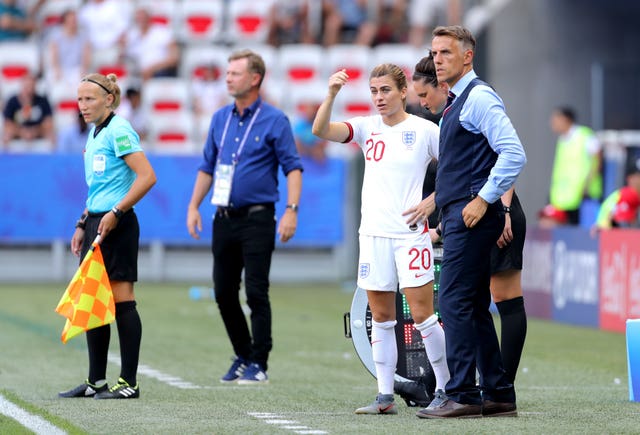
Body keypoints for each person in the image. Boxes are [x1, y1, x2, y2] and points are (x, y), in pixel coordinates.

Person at [312, 64, 449, 415]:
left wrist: (433, 201)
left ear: (403, 92)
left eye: (385, 90)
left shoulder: (424, 130)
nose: (379, 97)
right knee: (383, 318)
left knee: (423, 316)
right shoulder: (366, 128)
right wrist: (331, 94)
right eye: (374, 91)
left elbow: (456, 169)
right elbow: (321, 129)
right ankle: (385, 395)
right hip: (373, 235)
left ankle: (447, 389)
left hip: (409, 237)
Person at [416, 25, 526, 419]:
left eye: (445, 52)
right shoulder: (458, 101)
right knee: (474, 303)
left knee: (455, 301)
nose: (437, 59)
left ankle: (462, 393)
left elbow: (513, 153)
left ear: (467, 56)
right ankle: (497, 393)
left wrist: (483, 199)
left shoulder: (478, 98)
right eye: (434, 52)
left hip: (474, 214)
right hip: (462, 214)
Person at [186, 49, 303, 385]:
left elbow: (293, 168)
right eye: (227, 72)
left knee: (255, 291)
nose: (227, 77)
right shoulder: (220, 118)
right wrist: (194, 205)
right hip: (223, 217)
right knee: (223, 291)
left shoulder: (275, 120)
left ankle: (259, 362)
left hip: (257, 218)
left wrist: (291, 212)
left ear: (254, 78)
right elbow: (207, 166)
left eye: (235, 73)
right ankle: (243, 353)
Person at [58, 72, 157, 400]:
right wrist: (81, 221)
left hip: (118, 224)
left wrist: (116, 213)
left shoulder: (119, 130)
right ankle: (95, 381)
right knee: (94, 300)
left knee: (121, 300)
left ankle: (129, 383)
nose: (82, 105)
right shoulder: (95, 133)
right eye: (79, 99)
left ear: (108, 100)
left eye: (89, 99)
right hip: (96, 222)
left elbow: (146, 177)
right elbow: (100, 188)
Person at [549, 106, 602, 225]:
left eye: (556, 118)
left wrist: (588, 184)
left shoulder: (585, 135)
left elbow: (598, 160)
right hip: (563, 198)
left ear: (566, 119)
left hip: (584, 196)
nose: (553, 122)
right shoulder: (562, 139)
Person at [122, 5, 180, 81]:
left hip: (161, 72)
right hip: (138, 74)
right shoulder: (132, 35)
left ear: (149, 18)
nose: (141, 20)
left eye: (143, 17)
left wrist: (152, 68)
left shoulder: (162, 32)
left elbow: (174, 58)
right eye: (138, 18)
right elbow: (124, 56)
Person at [2, 74, 55, 151]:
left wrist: (34, 131)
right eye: (27, 86)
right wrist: (21, 132)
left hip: (38, 131)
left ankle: (51, 160)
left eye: (31, 86)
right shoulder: (12, 101)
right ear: (22, 85)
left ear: (35, 86)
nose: (29, 89)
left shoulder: (42, 101)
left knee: (52, 135)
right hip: (17, 132)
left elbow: (48, 122)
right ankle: (6, 160)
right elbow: (7, 123)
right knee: (6, 134)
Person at [44, 9, 92, 88]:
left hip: (76, 69)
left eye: (75, 20)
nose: (74, 23)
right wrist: (57, 69)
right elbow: (53, 56)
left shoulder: (83, 36)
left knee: (82, 80)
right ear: (65, 22)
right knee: (53, 78)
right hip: (61, 68)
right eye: (71, 20)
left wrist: (84, 69)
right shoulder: (56, 36)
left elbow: (86, 57)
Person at [592, 156, 640, 232]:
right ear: (630, 178)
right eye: (638, 175)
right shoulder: (627, 195)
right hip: (608, 233)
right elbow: (623, 225)